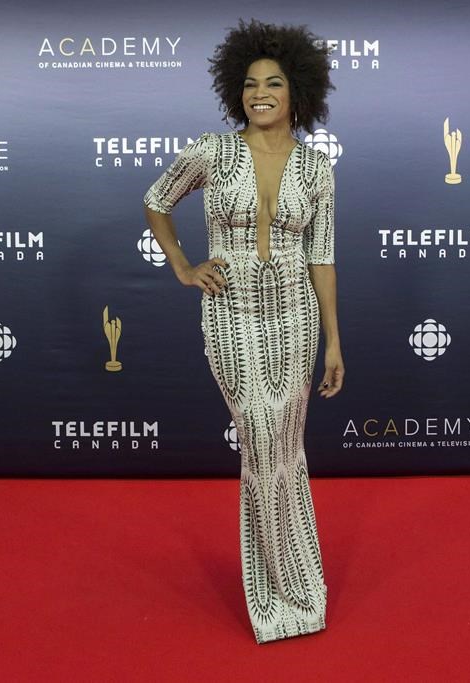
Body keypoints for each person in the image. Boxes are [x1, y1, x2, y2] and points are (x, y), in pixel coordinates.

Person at [142, 18, 343, 644]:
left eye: (274, 82)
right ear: (238, 91)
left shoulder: (316, 169)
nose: (261, 92)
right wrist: (183, 266)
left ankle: (302, 587)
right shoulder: (211, 151)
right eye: (251, 83)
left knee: (286, 447)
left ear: (297, 93)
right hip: (230, 317)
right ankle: (272, 591)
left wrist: (334, 340)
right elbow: (156, 199)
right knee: (259, 438)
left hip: (295, 318)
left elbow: (323, 258)